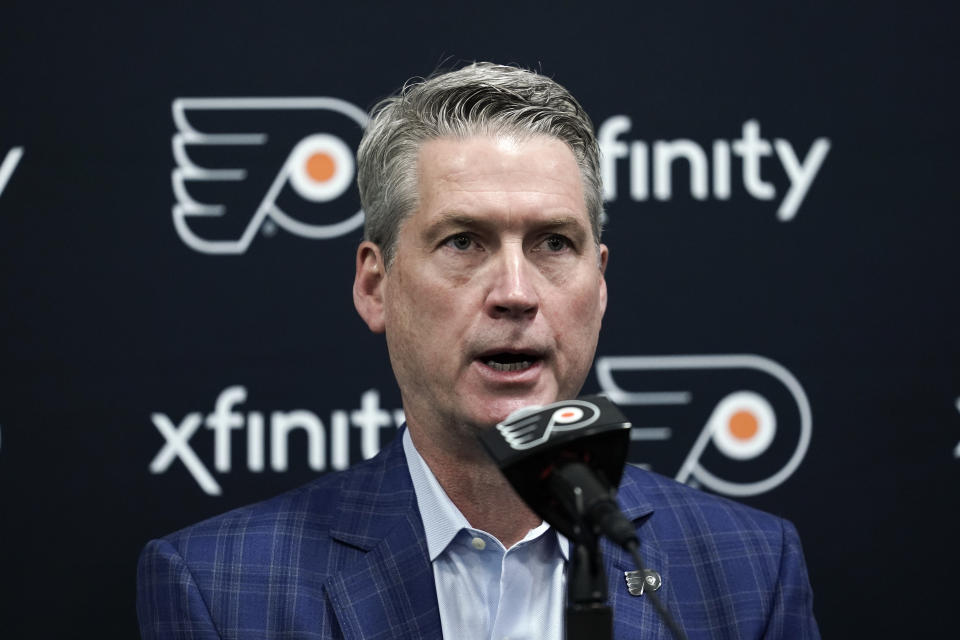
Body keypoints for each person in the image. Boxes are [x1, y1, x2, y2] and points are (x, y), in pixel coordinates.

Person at [137, 62, 820, 639]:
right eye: (464, 241)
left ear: (600, 284)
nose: (516, 293)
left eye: (554, 243)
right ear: (376, 286)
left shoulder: (749, 571)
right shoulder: (220, 588)